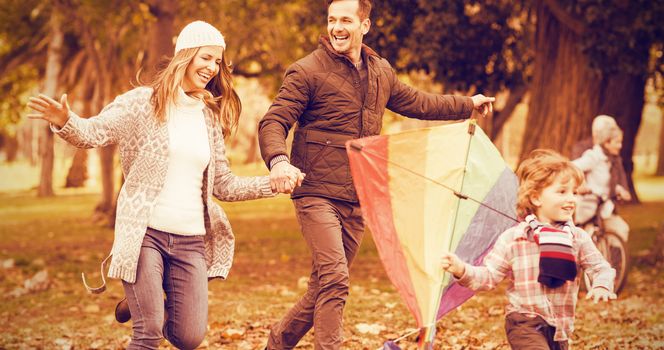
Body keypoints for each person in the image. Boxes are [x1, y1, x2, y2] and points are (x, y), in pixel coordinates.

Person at [257, 0, 495, 348]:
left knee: (324, 285)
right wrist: (279, 160)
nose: (337, 27)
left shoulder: (380, 71)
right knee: (336, 278)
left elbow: (419, 103)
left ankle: (278, 342)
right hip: (316, 193)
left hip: (357, 196)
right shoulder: (306, 71)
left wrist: (467, 104)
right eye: (332, 20)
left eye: (346, 20)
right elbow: (274, 121)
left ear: (364, 25)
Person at [27, 21, 278, 350]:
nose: (211, 67)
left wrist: (272, 184)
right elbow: (93, 133)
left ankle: (142, 299)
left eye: (217, 61)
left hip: (190, 243)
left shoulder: (208, 117)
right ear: (184, 56)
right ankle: (146, 301)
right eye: (205, 58)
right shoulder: (141, 103)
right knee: (148, 334)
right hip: (145, 235)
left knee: (189, 337)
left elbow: (224, 185)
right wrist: (65, 121)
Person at [441, 149, 616, 350]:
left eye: (574, 192)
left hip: (560, 328)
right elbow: (489, 276)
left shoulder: (577, 238)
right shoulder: (514, 238)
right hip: (524, 322)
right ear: (536, 198)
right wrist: (461, 269)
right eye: (562, 191)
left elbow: (601, 267)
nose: (572, 199)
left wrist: (602, 284)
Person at [572, 122, 631, 242]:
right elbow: (571, 167)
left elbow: (606, 183)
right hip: (588, 207)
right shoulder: (593, 156)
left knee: (621, 230)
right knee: (585, 239)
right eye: (617, 142)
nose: (620, 146)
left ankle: (612, 259)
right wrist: (581, 183)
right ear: (606, 143)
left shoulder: (611, 160)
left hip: (603, 207)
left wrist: (619, 190)